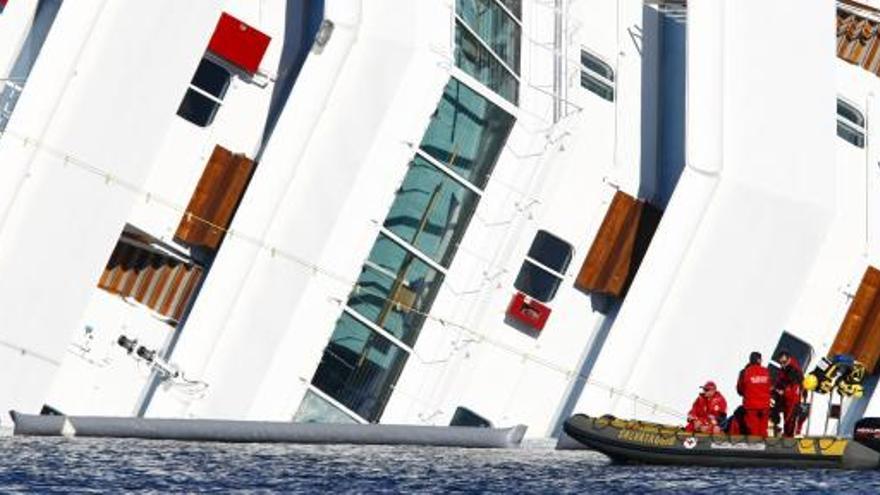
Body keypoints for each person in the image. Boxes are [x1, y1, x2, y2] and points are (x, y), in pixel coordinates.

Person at [732, 351, 772, 437]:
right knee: (763, 431)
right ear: (759, 360)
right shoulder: (766, 371)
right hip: (765, 406)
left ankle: (755, 449)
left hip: (751, 406)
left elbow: (740, 389)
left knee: (753, 431)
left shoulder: (744, 372)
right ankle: (764, 449)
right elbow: (770, 387)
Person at [772, 351, 805, 437]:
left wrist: (783, 391)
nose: (782, 364)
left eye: (784, 362)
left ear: (789, 359)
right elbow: (780, 381)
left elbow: (795, 388)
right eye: (780, 363)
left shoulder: (794, 370)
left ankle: (789, 437)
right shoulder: (785, 369)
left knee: (790, 421)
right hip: (785, 398)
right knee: (777, 414)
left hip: (792, 400)